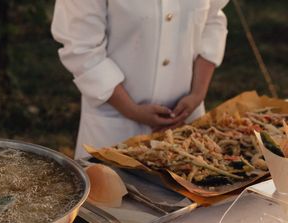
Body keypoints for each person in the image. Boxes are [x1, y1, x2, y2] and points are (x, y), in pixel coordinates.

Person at [51, 0, 229, 159]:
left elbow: (213, 21)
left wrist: (198, 93)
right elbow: (81, 48)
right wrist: (131, 109)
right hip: (115, 131)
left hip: (187, 125)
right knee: (118, 195)